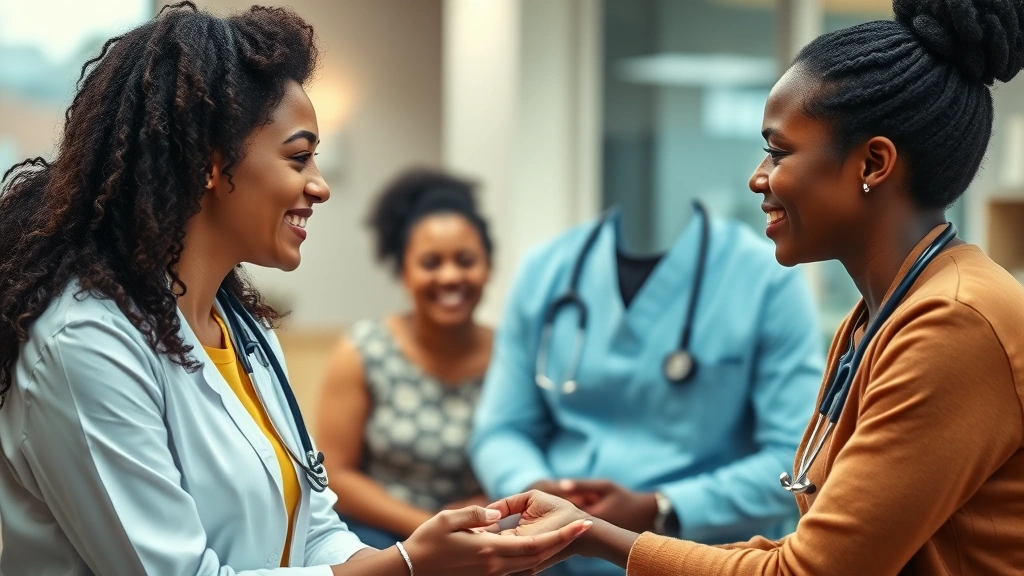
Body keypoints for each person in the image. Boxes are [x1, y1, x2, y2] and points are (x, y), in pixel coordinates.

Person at [0, 4, 589, 575]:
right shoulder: (85, 343)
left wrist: (443, 557)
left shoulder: (244, 332)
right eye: (299, 157)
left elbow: (314, 526)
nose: (320, 186)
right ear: (211, 163)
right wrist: (408, 567)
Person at [495, 0, 1024, 574]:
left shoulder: (954, 320)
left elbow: (807, 572)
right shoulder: (882, 316)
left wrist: (598, 537)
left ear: (873, 163)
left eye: (778, 150)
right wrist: (592, 531)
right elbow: (801, 552)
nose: (758, 177)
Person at [470, 130, 824, 576]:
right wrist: (533, 489)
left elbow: (795, 462)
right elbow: (501, 429)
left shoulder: (765, 279)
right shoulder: (547, 271)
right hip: (554, 560)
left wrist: (662, 507)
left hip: (697, 558)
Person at [315, 169, 494, 549]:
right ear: (404, 272)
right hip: (380, 534)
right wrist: (433, 527)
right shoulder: (364, 349)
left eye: (465, 260)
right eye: (431, 263)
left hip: (489, 528)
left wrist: (488, 515)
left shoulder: (513, 356)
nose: (450, 276)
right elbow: (337, 473)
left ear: (488, 267)